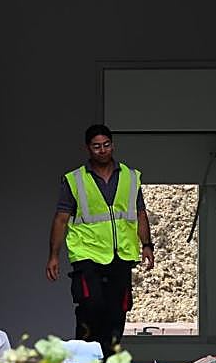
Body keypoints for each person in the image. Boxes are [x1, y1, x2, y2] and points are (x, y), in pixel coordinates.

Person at [46, 124, 155, 349]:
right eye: (97, 147)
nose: (102, 150)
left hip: (121, 253)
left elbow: (140, 213)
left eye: (106, 145)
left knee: (117, 310)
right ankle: (86, 357)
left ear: (112, 146)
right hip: (87, 252)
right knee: (91, 305)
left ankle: (110, 360)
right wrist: (54, 256)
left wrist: (147, 245)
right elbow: (61, 219)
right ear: (88, 149)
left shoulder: (131, 177)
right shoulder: (75, 180)